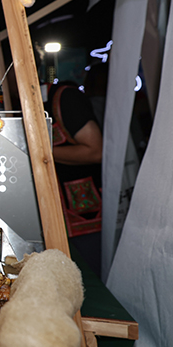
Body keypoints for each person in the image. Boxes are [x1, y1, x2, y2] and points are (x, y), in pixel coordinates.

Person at [46, 81, 104, 276]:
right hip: (54, 215)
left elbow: (96, 150)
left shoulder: (64, 98)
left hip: (84, 215)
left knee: (89, 279)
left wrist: (38, 152)